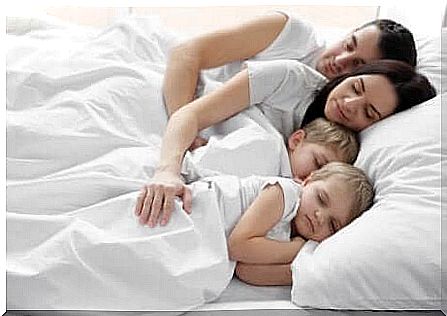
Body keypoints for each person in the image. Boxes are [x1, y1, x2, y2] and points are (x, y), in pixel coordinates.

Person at [134, 59, 436, 227]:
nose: (350, 103)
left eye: (368, 111)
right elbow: (192, 114)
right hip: (187, 123)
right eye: (355, 86)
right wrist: (168, 170)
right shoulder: (290, 79)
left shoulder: (342, 154)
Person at [163, 12, 419, 118]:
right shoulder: (292, 34)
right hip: (183, 96)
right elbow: (187, 53)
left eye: (357, 64)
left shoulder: (342, 108)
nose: (340, 61)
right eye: (349, 44)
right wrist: (182, 122)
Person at [135, 117, 358, 227]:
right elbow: (201, 166)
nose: (315, 175)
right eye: (318, 162)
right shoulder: (267, 148)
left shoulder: (294, 197)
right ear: (297, 140)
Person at [228, 162, 374, 286]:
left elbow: (245, 271)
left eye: (332, 225)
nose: (320, 217)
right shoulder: (285, 193)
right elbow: (237, 247)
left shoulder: (294, 238)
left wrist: (302, 269)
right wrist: (296, 249)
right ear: (307, 180)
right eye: (321, 199)